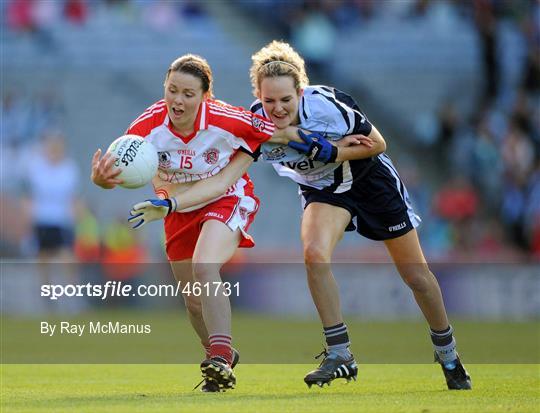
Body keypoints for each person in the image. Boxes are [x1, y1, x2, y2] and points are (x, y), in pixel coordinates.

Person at [91, 54, 357, 392]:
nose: (178, 100)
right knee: (191, 300)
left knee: (206, 266)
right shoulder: (145, 128)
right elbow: (115, 173)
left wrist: (336, 149)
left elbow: (276, 131)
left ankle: (216, 358)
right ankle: (221, 359)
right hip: (176, 208)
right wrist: (102, 179)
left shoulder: (225, 118)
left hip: (227, 196)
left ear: (206, 96)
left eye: (189, 93)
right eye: (172, 90)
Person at [248, 41, 472, 390]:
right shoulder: (254, 121)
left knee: (416, 277)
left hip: (370, 182)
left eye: (285, 100)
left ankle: (448, 354)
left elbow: (379, 144)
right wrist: (294, 135)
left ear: (301, 92)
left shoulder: (326, 106)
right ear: (258, 96)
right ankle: (340, 353)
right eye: (269, 100)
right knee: (314, 255)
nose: (277, 108)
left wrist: (331, 150)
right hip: (323, 189)